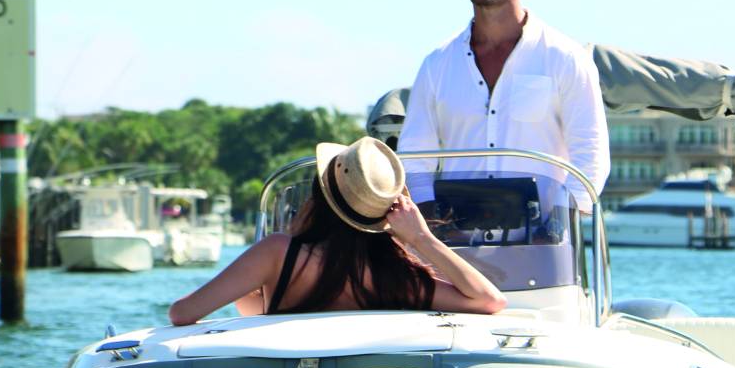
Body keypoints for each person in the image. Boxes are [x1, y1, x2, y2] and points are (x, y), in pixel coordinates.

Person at [168, 136, 506, 324]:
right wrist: (420, 238)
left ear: (319, 195)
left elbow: (182, 313)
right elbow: (490, 301)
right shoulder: (395, 276)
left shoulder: (278, 253)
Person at [396, 0, 609, 210]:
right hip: (454, 233)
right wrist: (430, 218)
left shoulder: (566, 58)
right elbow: (413, 158)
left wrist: (560, 223)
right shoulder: (437, 65)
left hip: (546, 234)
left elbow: (591, 155)